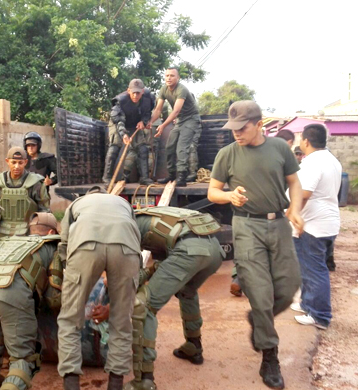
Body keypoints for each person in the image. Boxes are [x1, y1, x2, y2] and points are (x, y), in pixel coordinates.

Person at [207, 100, 303, 390]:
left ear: (259, 125)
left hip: (278, 225)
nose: (236, 133)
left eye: (242, 127)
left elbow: (294, 183)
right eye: (233, 128)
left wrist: (295, 210)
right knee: (260, 294)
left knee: (289, 287)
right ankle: (269, 356)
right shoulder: (227, 154)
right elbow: (213, 191)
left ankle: (259, 319)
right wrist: (229, 197)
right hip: (246, 225)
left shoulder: (280, 149)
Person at [123, 207, 225, 390]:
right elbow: (161, 265)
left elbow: (131, 273)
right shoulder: (156, 217)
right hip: (215, 249)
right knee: (187, 291)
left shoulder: (126, 226)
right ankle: (193, 346)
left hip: (189, 249)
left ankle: (144, 380)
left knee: (143, 307)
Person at [57, 187, 141, 390]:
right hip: (126, 248)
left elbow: (65, 242)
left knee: (70, 320)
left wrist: (70, 277)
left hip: (85, 246)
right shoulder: (123, 203)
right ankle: (115, 385)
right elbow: (136, 234)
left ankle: (71, 384)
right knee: (121, 322)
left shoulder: (77, 204)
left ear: (89, 196)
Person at [0, 212, 62, 390]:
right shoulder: (53, 246)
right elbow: (53, 298)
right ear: (51, 231)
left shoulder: (10, 242)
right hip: (10, 294)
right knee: (23, 359)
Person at [230, 128, 297, 297]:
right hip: (268, 215)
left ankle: (240, 279)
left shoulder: (259, 156)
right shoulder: (277, 159)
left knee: (246, 252)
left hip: (249, 216)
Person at [290, 124, 341, 330]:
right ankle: (308, 305)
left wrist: (293, 214)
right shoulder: (331, 160)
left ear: (306, 141)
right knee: (309, 268)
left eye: (300, 139)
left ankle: (320, 315)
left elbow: (304, 193)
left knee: (314, 270)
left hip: (312, 225)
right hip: (326, 222)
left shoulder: (312, 163)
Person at [150, 67, 202, 187]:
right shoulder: (164, 89)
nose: (169, 78)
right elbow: (158, 109)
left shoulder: (181, 89)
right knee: (169, 146)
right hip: (180, 120)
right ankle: (172, 175)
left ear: (177, 78)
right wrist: (150, 122)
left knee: (181, 148)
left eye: (172, 75)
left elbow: (176, 111)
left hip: (191, 119)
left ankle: (181, 177)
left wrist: (163, 125)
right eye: (167, 75)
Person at [102, 79, 155, 186]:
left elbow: (147, 113)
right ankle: (107, 178)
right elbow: (118, 120)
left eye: (138, 93)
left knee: (142, 148)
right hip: (118, 123)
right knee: (115, 146)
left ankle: (144, 178)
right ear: (128, 90)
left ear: (143, 92)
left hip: (134, 124)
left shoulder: (149, 98)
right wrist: (123, 134)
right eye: (133, 92)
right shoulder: (120, 101)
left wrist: (143, 122)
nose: (135, 95)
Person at [0, 147, 50, 238]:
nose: (17, 166)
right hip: (3, 231)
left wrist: (38, 227)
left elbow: (44, 209)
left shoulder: (35, 182)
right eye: (13, 162)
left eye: (20, 163)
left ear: (26, 162)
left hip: (28, 232)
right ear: (7, 161)